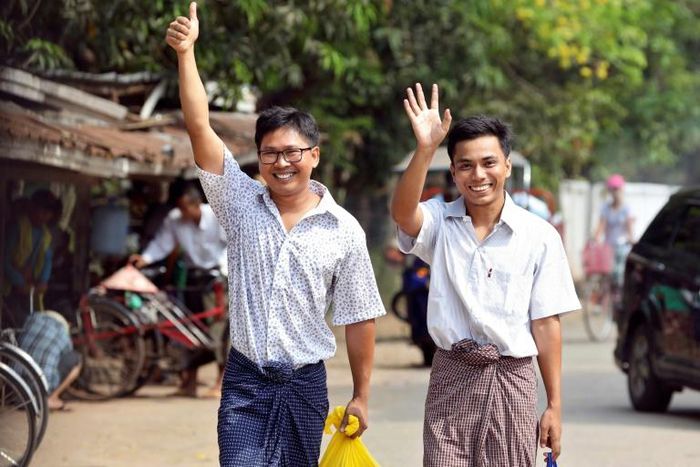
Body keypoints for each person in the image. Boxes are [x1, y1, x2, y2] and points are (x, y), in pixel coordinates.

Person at [165, 3, 386, 466]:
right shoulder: (239, 201)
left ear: (314, 156)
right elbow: (199, 126)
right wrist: (186, 54)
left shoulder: (343, 230)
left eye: (292, 152)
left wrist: (361, 395)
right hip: (244, 382)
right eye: (270, 154)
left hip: (306, 385)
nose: (281, 163)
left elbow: (360, 316)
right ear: (259, 159)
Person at [391, 83, 580, 466]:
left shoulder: (538, 236)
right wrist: (425, 149)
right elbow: (403, 213)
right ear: (455, 173)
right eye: (466, 165)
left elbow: (546, 323)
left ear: (507, 166)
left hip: (512, 381)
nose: (478, 174)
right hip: (451, 378)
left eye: (489, 162)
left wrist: (555, 405)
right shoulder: (440, 223)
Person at [129, 183, 227, 398]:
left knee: (218, 330)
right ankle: (189, 382)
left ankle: (221, 383)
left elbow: (232, 244)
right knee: (188, 328)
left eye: (186, 208)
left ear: (196, 203)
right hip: (192, 278)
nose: (183, 213)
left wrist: (224, 270)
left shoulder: (217, 216)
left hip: (217, 279)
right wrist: (144, 258)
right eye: (180, 208)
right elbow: (161, 244)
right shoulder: (174, 219)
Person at [3, 189, 61, 328]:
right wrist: (19, 281)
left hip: (30, 287)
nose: (45, 216)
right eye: (42, 210)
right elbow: (4, 261)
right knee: (16, 322)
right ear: (32, 207)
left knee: (31, 321)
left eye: (49, 213)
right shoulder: (17, 228)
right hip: (9, 287)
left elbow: (47, 258)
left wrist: (43, 281)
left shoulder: (45, 234)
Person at [18, 310, 82, 411]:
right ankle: (50, 398)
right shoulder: (63, 333)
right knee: (76, 358)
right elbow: (66, 353)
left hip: (16, 384)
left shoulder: (31, 319)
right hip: (41, 387)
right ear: (68, 323)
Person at [594, 174, 634, 287]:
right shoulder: (606, 208)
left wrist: (632, 239)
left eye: (617, 190)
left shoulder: (626, 209)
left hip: (622, 247)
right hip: (608, 246)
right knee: (606, 274)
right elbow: (601, 226)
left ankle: (618, 297)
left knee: (619, 273)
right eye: (613, 190)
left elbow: (629, 227)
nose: (615, 193)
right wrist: (596, 239)